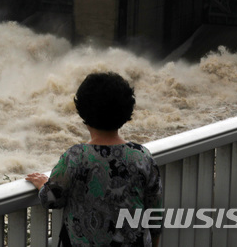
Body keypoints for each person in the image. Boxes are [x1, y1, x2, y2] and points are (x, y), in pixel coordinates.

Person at [26, 71, 162, 247]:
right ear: (127, 110)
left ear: (82, 111)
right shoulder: (142, 156)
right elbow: (155, 211)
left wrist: (43, 184)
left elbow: (51, 199)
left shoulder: (75, 156)